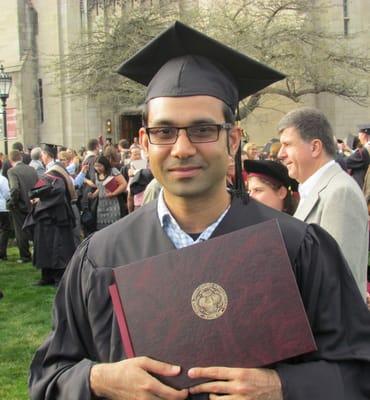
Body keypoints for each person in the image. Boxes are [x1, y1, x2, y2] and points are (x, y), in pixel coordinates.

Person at [29, 21, 370, 400]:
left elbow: (358, 372)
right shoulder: (100, 258)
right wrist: (97, 380)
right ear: (144, 140)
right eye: (164, 131)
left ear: (233, 139)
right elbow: (48, 377)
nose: (182, 148)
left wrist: (283, 387)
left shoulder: (298, 249)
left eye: (203, 129)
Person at [278, 107, 368, 298]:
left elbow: (337, 280)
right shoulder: (319, 190)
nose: (280, 154)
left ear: (315, 147)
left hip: (331, 325)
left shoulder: (339, 193)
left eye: (287, 145)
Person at [7, 150, 38, 263]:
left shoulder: (12, 171)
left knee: (21, 231)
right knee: (34, 230)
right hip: (33, 203)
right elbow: (38, 184)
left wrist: (12, 202)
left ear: (11, 160)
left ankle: (25, 256)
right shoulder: (32, 169)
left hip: (20, 205)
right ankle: (38, 253)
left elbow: (15, 188)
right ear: (21, 157)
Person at [88, 155, 127, 230]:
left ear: (105, 164)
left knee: (114, 228)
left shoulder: (113, 171)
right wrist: (93, 195)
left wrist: (113, 193)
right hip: (101, 207)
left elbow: (124, 184)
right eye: (96, 166)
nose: (98, 168)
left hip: (114, 205)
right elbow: (100, 188)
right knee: (102, 228)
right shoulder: (97, 175)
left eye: (100, 166)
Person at [0, 172, 11, 260]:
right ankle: (2, 253)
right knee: (4, 230)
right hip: (2, 207)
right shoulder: (2, 179)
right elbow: (7, 194)